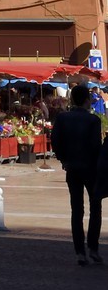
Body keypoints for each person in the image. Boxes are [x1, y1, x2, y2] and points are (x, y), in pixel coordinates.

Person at [51, 84, 103, 266]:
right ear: (87, 100)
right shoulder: (93, 121)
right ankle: (93, 249)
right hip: (91, 169)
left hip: (72, 168)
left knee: (76, 209)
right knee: (95, 208)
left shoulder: (63, 118)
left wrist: (63, 160)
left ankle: (80, 252)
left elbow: (55, 141)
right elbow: (96, 146)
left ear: (72, 99)